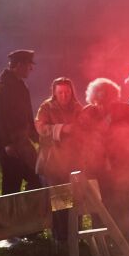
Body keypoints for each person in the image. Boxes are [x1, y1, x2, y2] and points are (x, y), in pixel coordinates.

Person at [77, 78, 129, 237]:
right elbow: (79, 139)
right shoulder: (87, 113)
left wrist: (126, 147)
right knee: (98, 206)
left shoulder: (127, 111)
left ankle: (126, 240)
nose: (102, 105)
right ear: (93, 99)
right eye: (98, 101)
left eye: (107, 100)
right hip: (97, 170)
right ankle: (101, 241)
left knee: (123, 206)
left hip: (123, 169)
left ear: (114, 98)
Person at [35, 77, 83, 241]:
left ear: (71, 93)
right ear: (55, 93)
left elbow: (84, 126)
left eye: (67, 92)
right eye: (60, 92)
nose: (64, 96)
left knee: (76, 198)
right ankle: (61, 236)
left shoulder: (77, 108)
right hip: (53, 162)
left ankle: (76, 235)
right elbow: (41, 128)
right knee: (60, 200)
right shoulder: (46, 107)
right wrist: (62, 129)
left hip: (73, 161)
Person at [0, 49, 40, 195]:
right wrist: (7, 144)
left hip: (22, 142)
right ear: (19, 65)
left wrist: (36, 137)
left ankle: (27, 210)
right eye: (28, 65)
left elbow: (27, 115)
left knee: (37, 178)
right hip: (10, 145)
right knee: (12, 185)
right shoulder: (2, 87)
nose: (31, 69)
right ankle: (10, 215)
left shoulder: (21, 86)